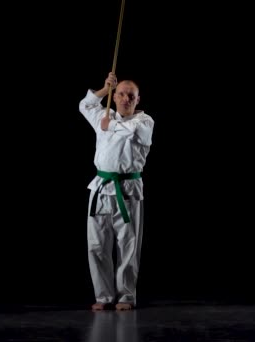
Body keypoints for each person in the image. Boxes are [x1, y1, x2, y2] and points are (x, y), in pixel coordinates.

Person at [78, 72, 154, 311]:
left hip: (128, 190)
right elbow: (85, 104)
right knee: (97, 245)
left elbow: (131, 132)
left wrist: (109, 124)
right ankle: (103, 296)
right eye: (120, 94)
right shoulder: (105, 113)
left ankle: (126, 297)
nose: (124, 99)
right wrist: (103, 90)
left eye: (130, 95)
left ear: (138, 99)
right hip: (100, 188)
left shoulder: (145, 122)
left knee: (128, 246)